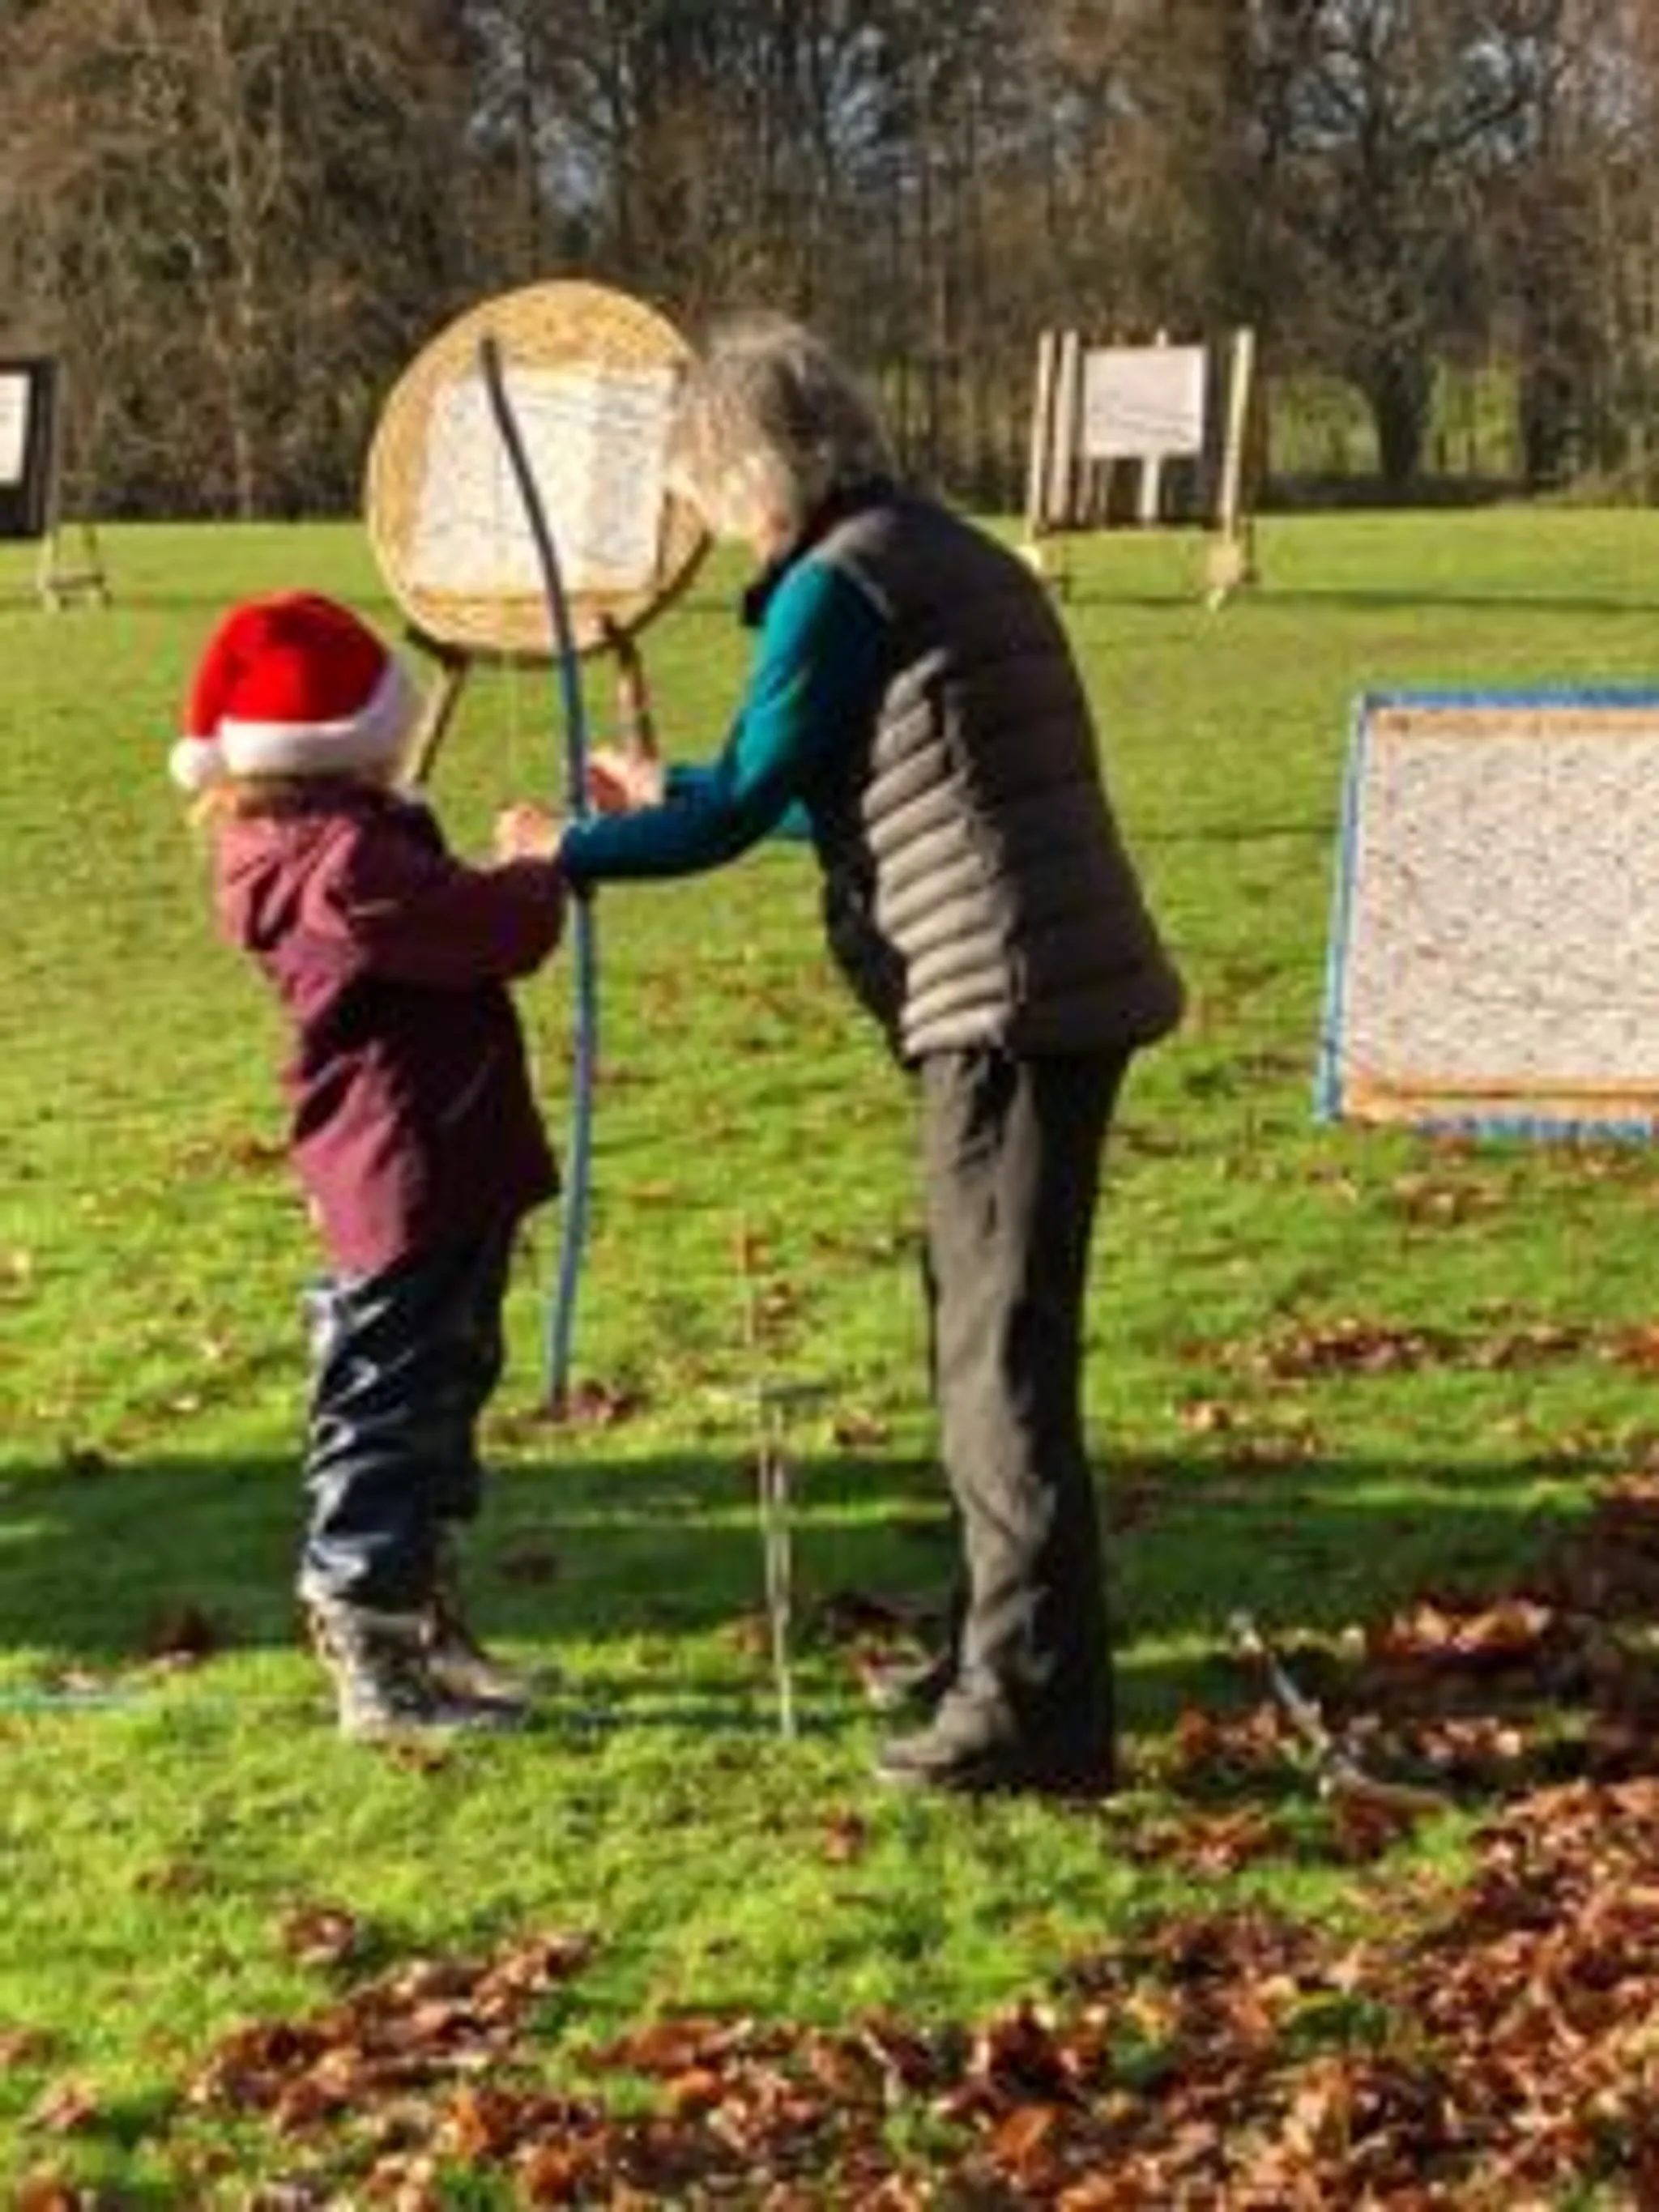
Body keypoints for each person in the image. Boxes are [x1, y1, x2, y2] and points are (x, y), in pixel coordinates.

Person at [499, 314, 1183, 1796]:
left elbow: (748, 809)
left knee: (997, 1364)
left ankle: (1032, 1713)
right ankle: (992, 1659)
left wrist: (578, 846)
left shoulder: (834, 584)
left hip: (1004, 998)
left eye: (698, 491)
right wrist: (661, 787)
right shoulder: (937, 550)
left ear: (748, 470)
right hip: (1053, 984)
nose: (702, 521)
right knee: (989, 1340)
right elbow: (837, 787)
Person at [173, 590, 565, 1743]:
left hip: (443, 1153)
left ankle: (424, 1623)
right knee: (389, 1400)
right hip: (403, 1161)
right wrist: (538, 860)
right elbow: (497, 931)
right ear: (346, 737)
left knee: (443, 1385)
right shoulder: (339, 862)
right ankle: (372, 1649)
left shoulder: (340, 840)